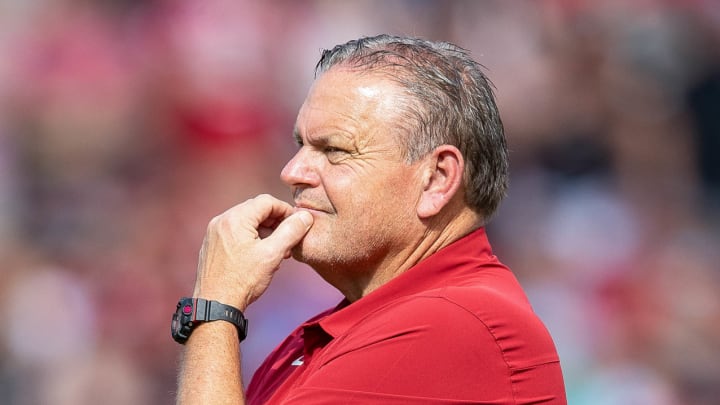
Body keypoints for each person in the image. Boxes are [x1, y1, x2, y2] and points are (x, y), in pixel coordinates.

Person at [173, 34, 567, 404]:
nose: (292, 172)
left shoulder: (456, 323)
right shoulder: (345, 329)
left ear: (437, 178)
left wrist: (214, 307)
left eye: (334, 150)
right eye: (301, 145)